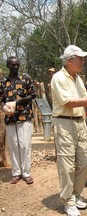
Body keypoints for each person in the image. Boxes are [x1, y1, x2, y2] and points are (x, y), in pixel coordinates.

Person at [50, 45, 87, 216]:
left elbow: (86, 102)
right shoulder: (58, 78)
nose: (83, 61)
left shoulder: (77, 79)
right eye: (80, 58)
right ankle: (68, 201)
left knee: (83, 164)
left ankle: (75, 195)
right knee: (67, 165)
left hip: (79, 122)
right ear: (69, 61)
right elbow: (70, 102)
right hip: (65, 124)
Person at [0, 56, 36, 185]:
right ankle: (16, 173)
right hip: (10, 118)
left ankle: (26, 173)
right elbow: (1, 98)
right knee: (14, 146)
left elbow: (33, 95)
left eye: (17, 65)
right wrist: (4, 107)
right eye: (13, 65)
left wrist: (18, 102)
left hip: (24, 116)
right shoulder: (4, 82)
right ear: (8, 66)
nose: (15, 67)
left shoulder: (25, 78)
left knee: (25, 145)